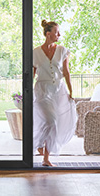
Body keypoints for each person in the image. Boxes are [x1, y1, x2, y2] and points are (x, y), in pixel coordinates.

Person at [32, 20, 78, 167]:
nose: (59, 34)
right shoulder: (35, 53)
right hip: (42, 91)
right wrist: (25, 93)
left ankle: (45, 157)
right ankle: (38, 144)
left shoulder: (62, 50)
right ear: (48, 33)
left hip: (59, 91)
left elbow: (66, 72)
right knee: (50, 121)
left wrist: (71, 91)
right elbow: (31, 75)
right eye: (56, 32)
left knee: (55, 124)